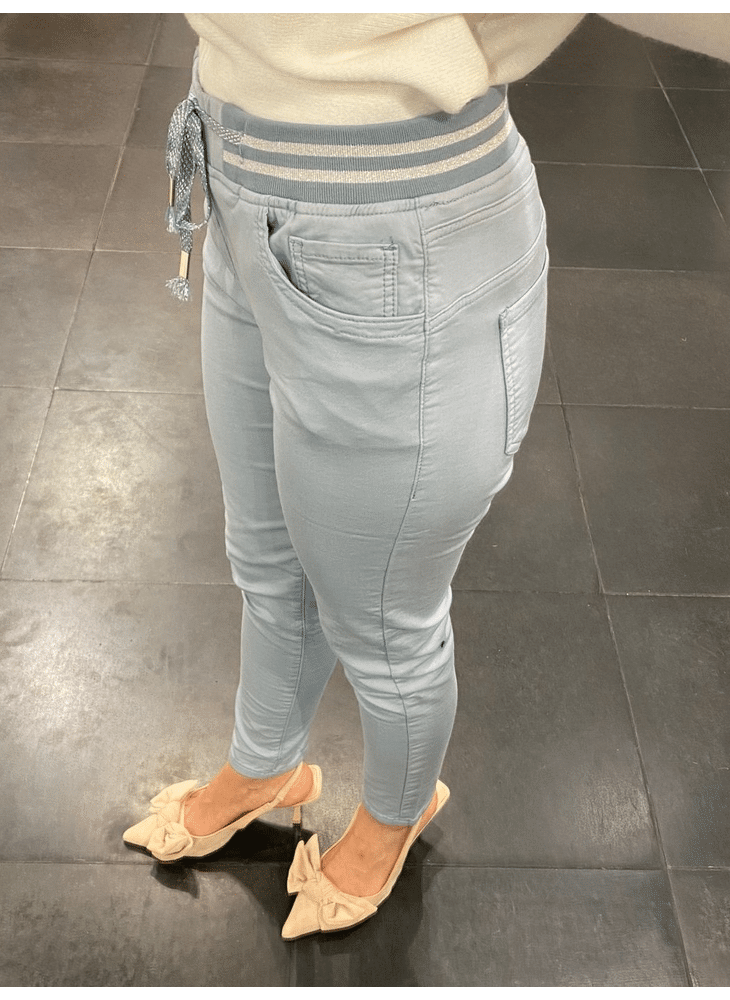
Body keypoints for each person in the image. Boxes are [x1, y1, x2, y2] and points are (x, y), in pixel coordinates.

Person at [123, 13, 730, 939]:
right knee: (267, 560)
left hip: (394, 224)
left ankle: (396, 813)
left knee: (380, 621)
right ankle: (265, 764)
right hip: (236, 172)